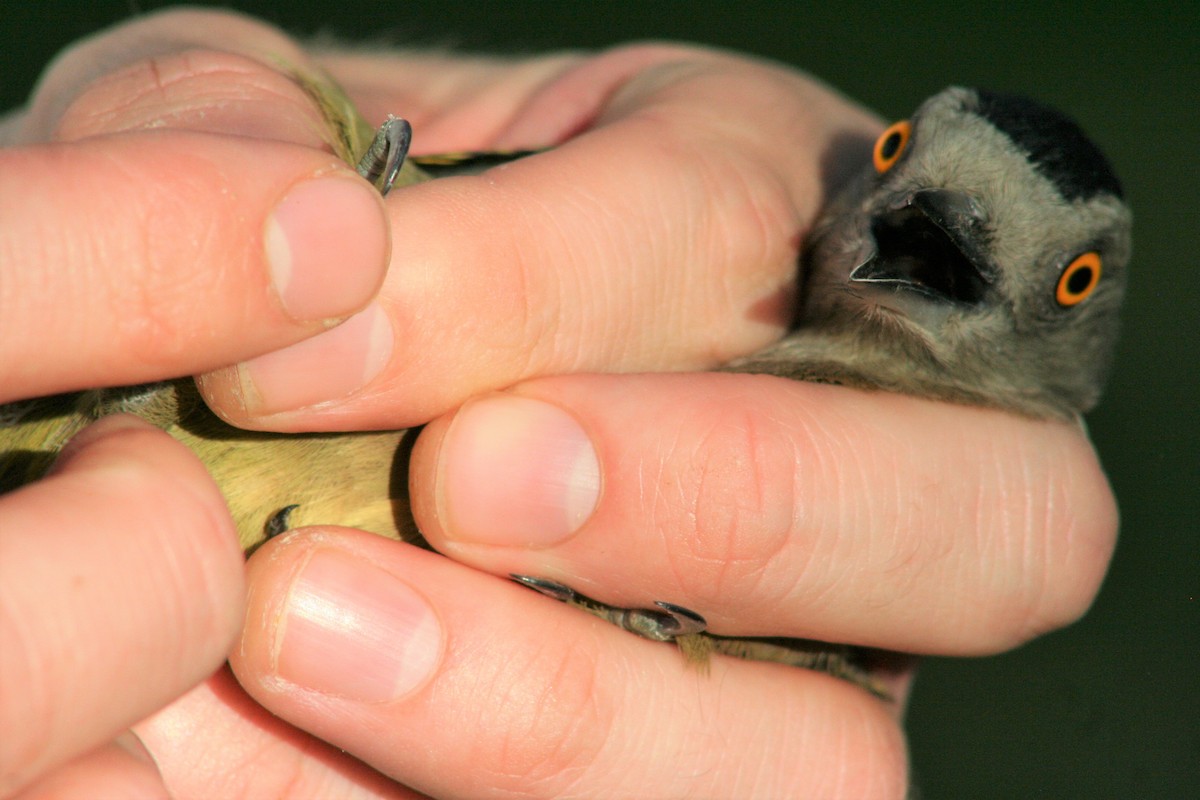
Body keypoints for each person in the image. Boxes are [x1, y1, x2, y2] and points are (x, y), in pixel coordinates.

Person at [0, 8, 1118, 798]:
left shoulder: (828, 608)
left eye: (1067, 278)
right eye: (895, 157)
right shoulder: (680, 274)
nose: (933, 221)